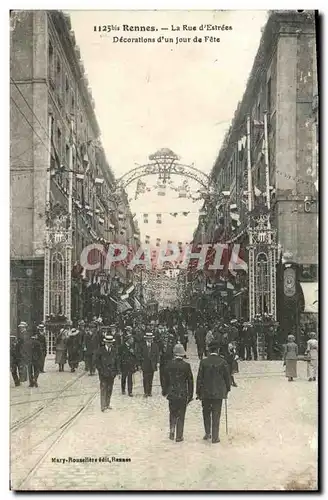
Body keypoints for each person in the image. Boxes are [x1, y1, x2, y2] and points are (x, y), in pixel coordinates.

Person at [196, 340, 231, 443]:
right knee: (216, 413)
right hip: (218, 393)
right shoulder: (223, 362)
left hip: (205, 392)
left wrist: (198, 392)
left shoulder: (203, 362)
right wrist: (227, 390)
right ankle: (215, 437)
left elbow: (199, 378)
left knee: (206, 413)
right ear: (218, 349)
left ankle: (207, 433)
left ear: (209, 350)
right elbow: (227, 378)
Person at [162, 343, 194, 442]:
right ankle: (179, 436)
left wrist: (165, 392)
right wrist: (190, 395)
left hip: (172, 393)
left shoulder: (169, 364)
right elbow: (190, 381)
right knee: (181, 415)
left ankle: (172, 430)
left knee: (172, 413)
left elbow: (165, 380)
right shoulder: (186, 365)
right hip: (183, 394)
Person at [95, 334, 120, 411]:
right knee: (103, 388)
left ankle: (107, 404)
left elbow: (117, 362)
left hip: (111, 374)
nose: (109, 344)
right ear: (105, 342)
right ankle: (103, 406)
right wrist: (101, 370)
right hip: (103, 373)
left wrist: (117, 372)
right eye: (108, 342)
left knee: (110, 389)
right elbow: (97, 362)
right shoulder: (100, 350)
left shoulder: (114, 350)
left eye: (111, 342)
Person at [138, 332, 160, 397]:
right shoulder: (142, 346)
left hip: (152, 365)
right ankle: (145, 392)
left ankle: (149, 391)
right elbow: (139, 355)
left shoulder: (155, 346)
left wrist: (158, 362)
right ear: (146, 339)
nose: (150, 339)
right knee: (145, 378)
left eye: (151, 338)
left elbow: (157, 355)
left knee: (151, 379)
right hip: (145, 364)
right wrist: (139, 365)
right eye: (148, 338)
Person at [119, 331, 138, 396]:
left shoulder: (133, 346)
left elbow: (136, 356)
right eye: (131, 339)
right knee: (123, 378)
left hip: (130, 365)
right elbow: (119, 357)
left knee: (130, 379)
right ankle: (123, 390)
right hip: (124, 365)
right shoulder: (121, 347)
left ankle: (130, 391)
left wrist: (133, 353)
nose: (132, 340)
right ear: (128, 340)